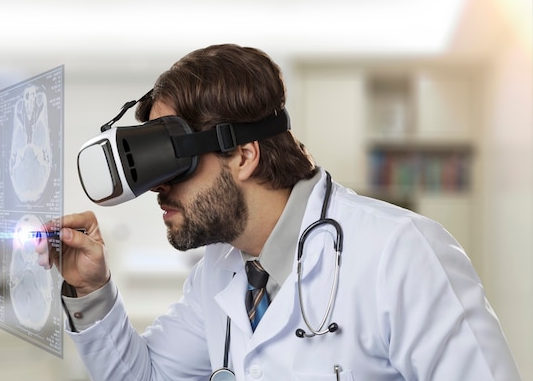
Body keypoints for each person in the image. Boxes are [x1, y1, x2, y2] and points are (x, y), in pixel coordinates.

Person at [38, 44, 521, 380]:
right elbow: (148, 376)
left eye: (174, 163)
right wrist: (91, 289)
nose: (157, 188)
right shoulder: (221, 272)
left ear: (245, 155)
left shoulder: (401, 253)